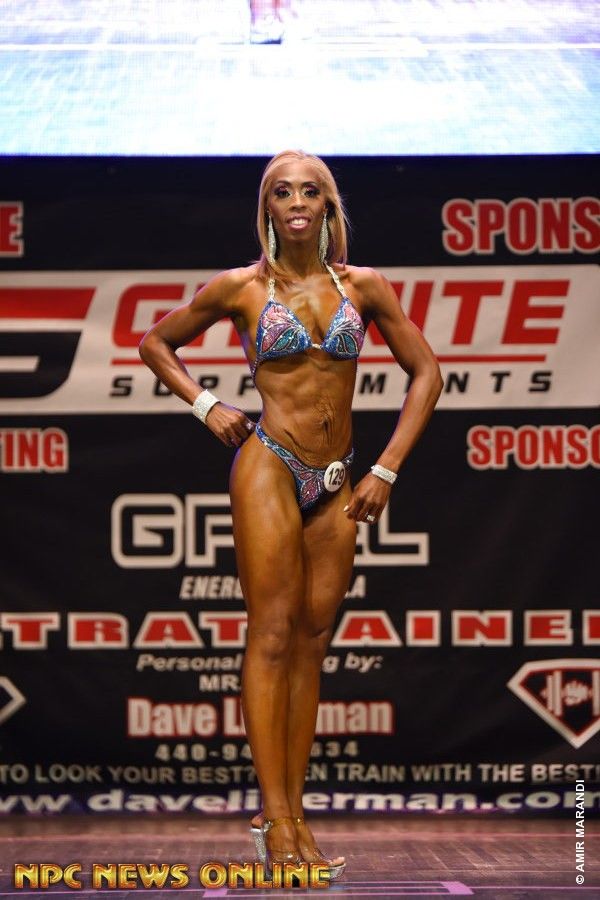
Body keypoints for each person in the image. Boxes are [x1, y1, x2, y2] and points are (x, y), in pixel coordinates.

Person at [139, 150, 443, 878]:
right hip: (270, 463)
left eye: (310, 191)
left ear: (329, 205)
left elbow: (428, 373)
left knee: (311, 641)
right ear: (267, 208)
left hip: (337, 476)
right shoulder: (243, 288)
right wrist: (206, 405)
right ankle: (276, 820)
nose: (298, 202)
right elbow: (156, 342)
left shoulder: (364, 287)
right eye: (283, 192)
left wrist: (386, 468)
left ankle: (295, 816)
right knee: (272, 634)